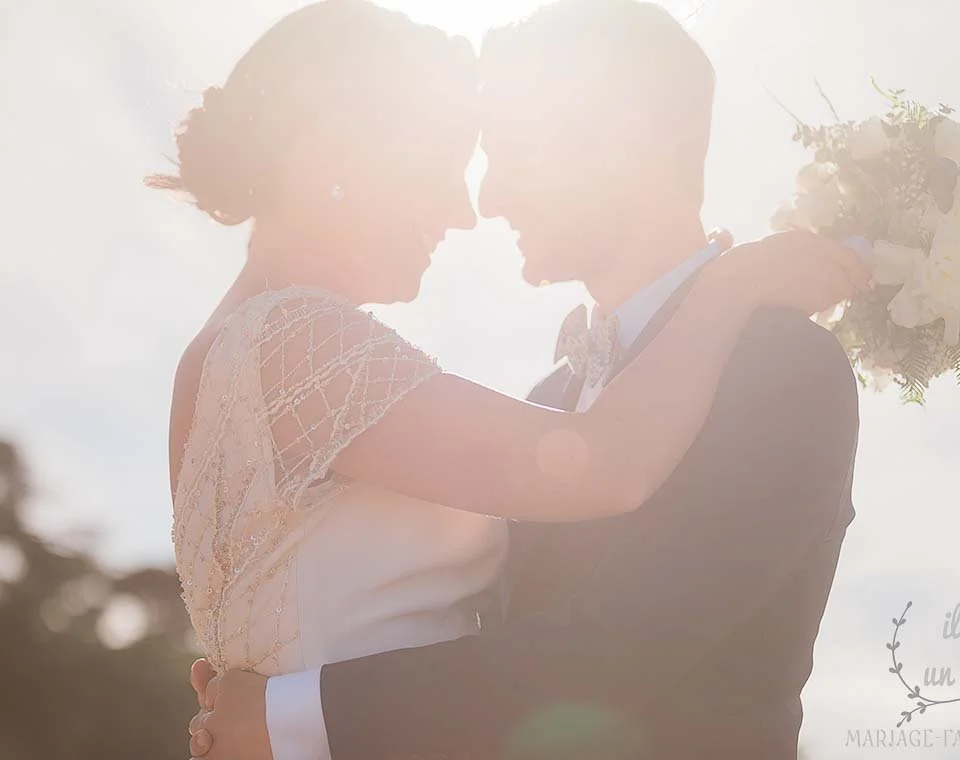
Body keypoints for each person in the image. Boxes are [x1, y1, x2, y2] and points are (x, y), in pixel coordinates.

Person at [160, 1, 864, 759]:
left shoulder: (783, 366)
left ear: (621, 142)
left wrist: (285, 716)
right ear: (338, 152)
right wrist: (735, 281)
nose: (479, 206)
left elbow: (633, 649)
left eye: (506, 152)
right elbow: (606, 471)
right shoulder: (318, 351)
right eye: (445, 161)